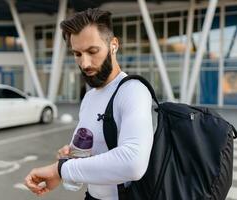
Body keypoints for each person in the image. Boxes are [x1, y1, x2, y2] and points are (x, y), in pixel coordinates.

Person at [24, 8, 154, 200]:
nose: (84, 63)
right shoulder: (90, 97)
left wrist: (61, 170)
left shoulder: (132, 90)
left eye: (92, 51)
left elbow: (133, 163)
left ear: (113, 45)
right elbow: (89, 153)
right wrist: (68, 158)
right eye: (77, 54)